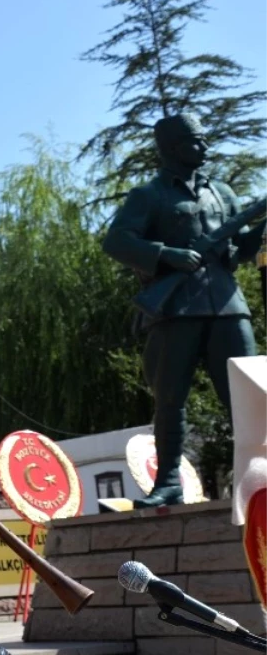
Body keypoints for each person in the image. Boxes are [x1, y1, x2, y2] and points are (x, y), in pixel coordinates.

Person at [104, 113, 264, 507]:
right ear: (173, 147)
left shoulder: (222, 193)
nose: (206, 147)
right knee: (170, 399)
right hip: (176, 309)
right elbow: (117, 241)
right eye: (197, 141)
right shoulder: (149, 196)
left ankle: (261, 473)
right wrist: (167, 255)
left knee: (251, 394)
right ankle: (169, 480)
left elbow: (240, 250)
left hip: (227, 304)